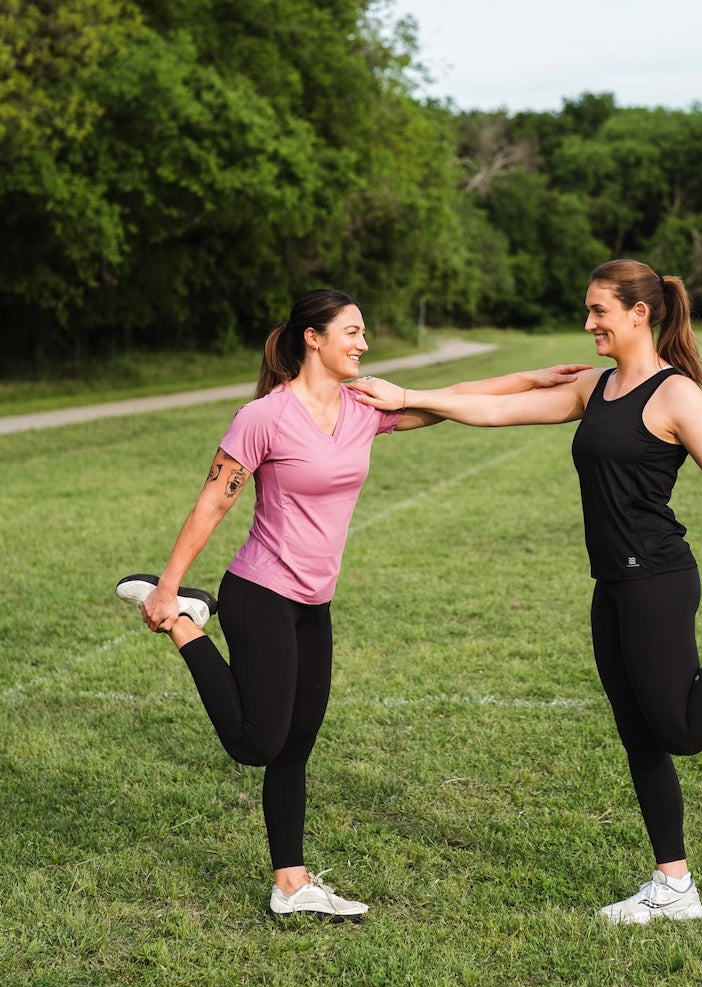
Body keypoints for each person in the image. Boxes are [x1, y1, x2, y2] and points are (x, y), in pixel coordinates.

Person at [351, 259, 702, 925]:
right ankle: (673, 886)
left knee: (682, 729)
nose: (588, 323)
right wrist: (414, 397)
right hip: (613, 585)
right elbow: (501, 410)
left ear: (638, 314)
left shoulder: (678, 397)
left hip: (658, 579)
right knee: (639, 735)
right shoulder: (599, 388)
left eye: (599, 311)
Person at [115, 288, 588, 922]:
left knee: (294, 749)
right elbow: (214, 501)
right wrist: (170, 584)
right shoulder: (263, 416)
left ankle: (291, 885)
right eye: (353, 332)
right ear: (313, 338)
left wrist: (532, 378)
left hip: (315, 601)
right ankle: (183, 620)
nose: (364, 344)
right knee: (256, 742)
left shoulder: (362, 406)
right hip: (260, 591)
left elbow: (448, 399)